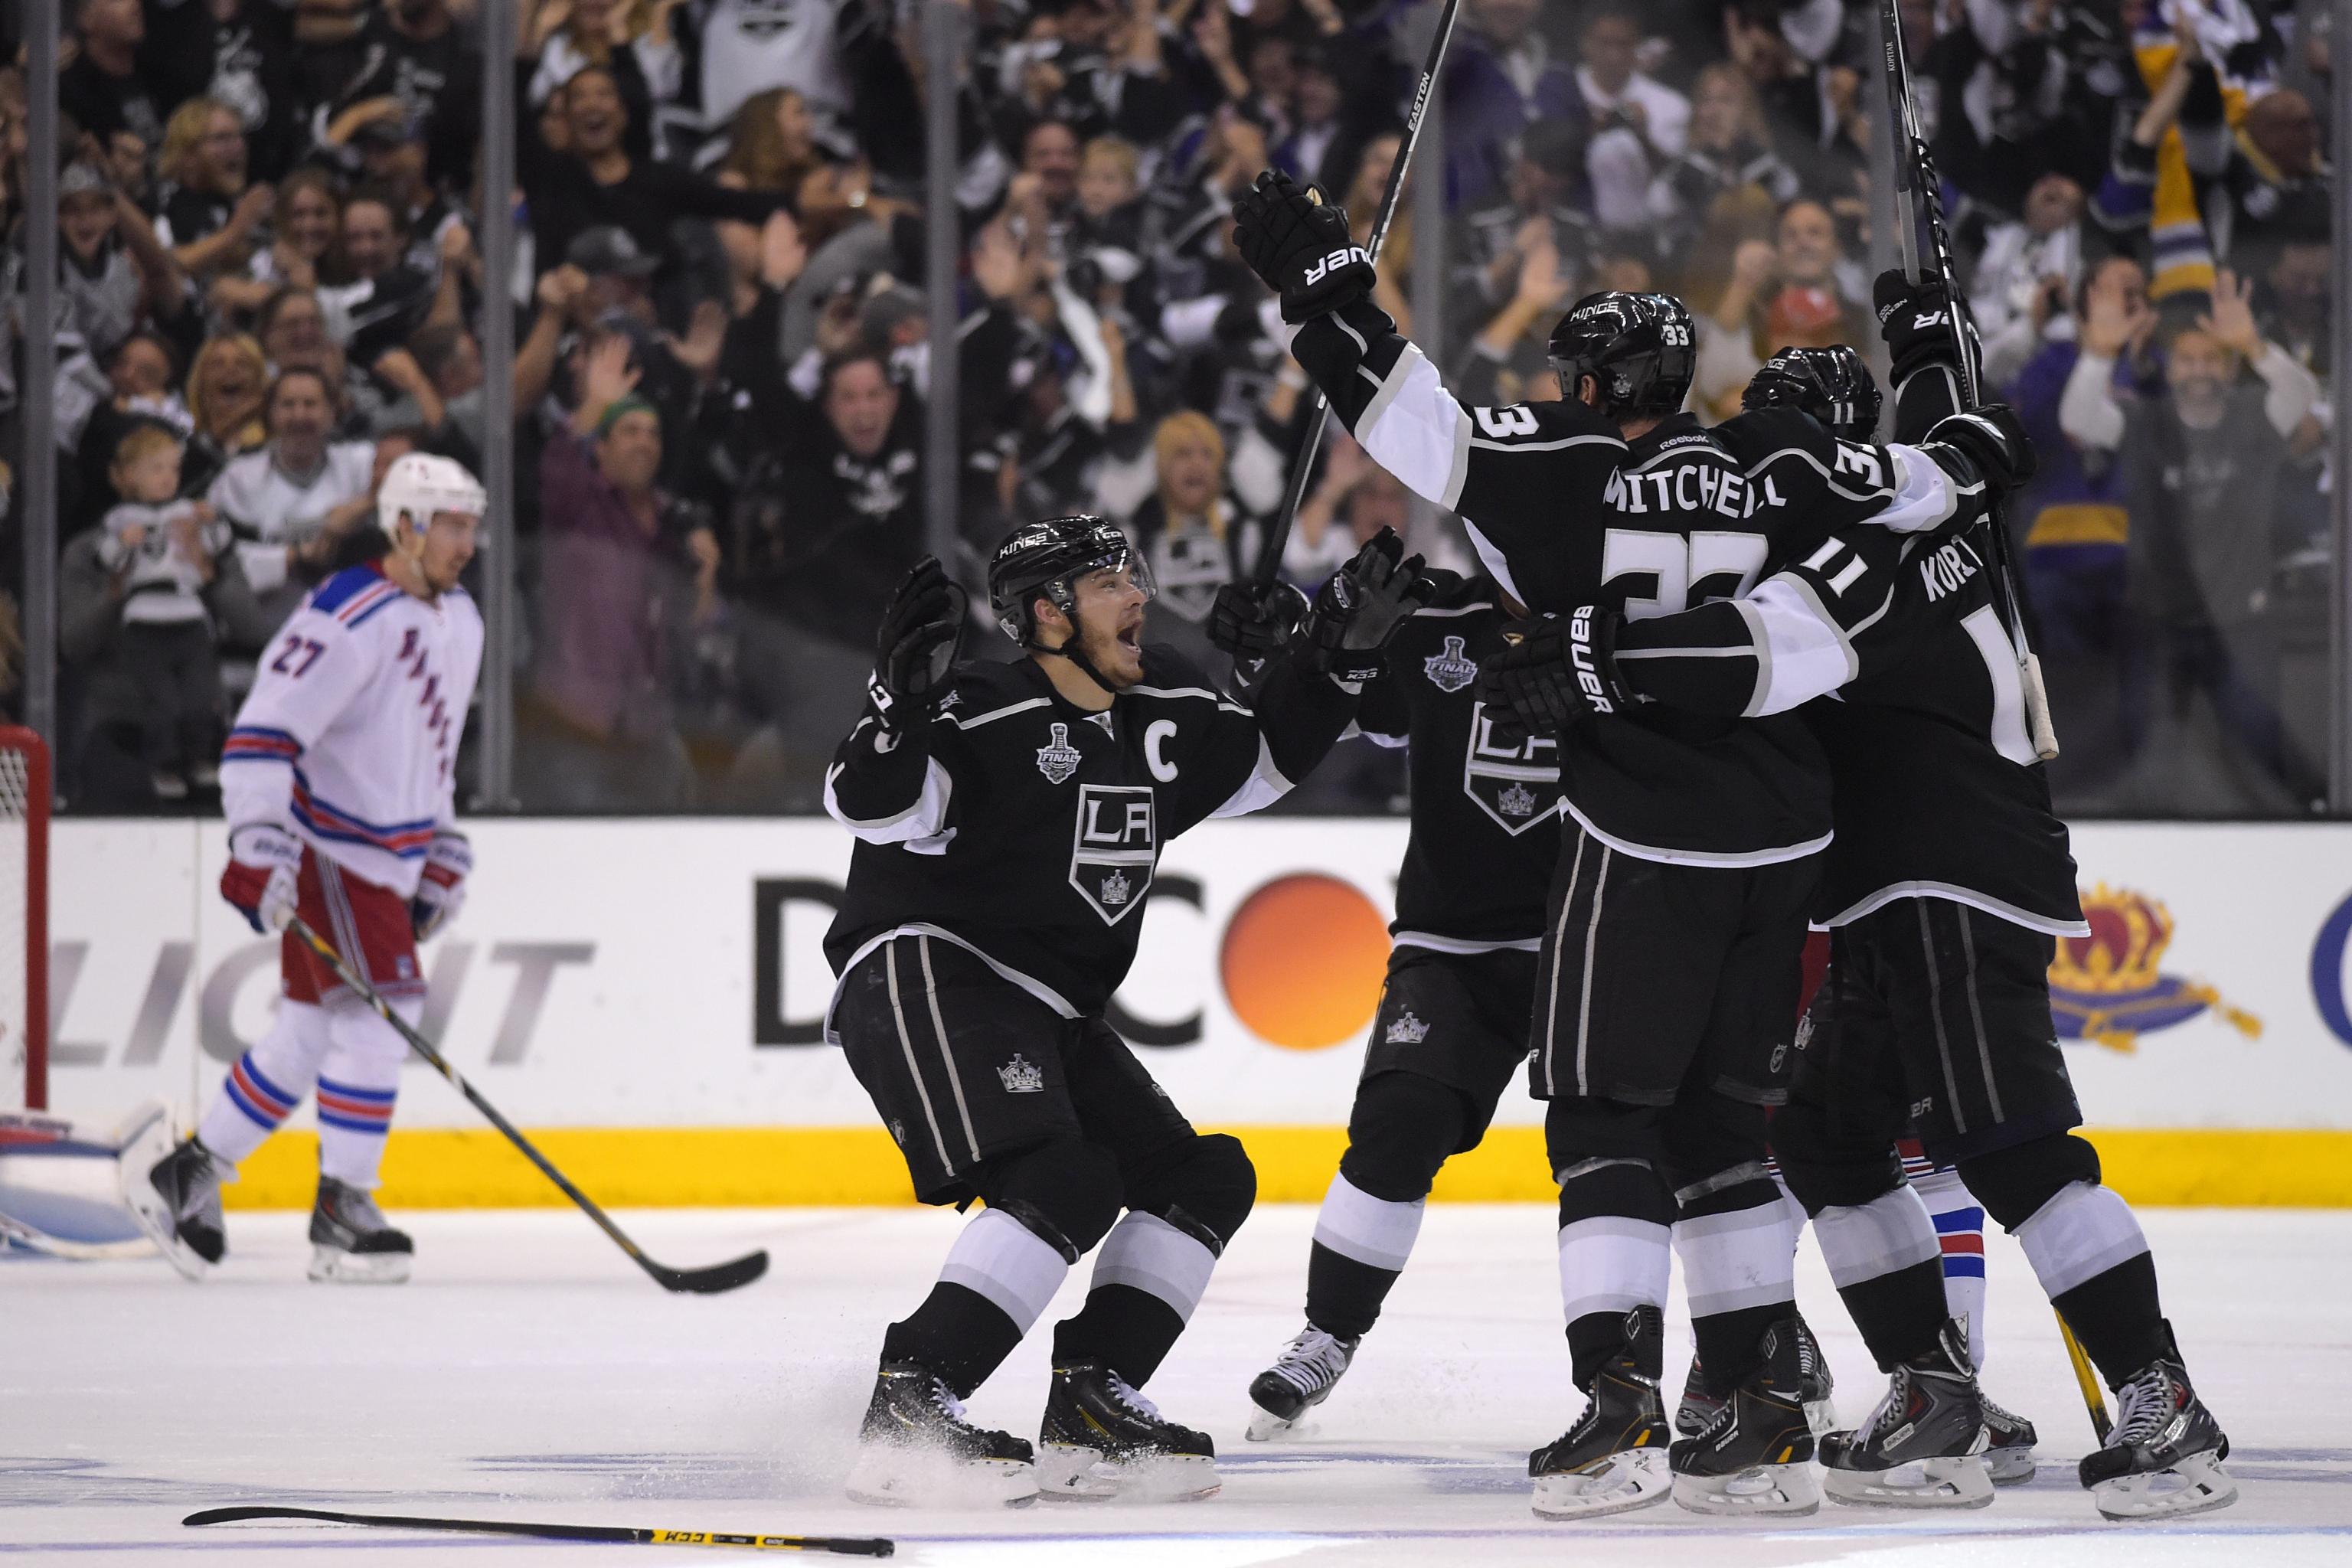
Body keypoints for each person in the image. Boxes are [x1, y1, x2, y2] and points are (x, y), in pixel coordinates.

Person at [1230, 166, 2025, 1520]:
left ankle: (1620, 1405)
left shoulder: (1561, 468)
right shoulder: (1781, 467)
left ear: (1593, 384)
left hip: (1643, 832)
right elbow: (1955, 483)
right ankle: (1764, 1413)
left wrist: (1318, 289)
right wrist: (1940, 355)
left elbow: (1401, 408)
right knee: (1724, 1129)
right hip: (1787, 837)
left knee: (1603, 1119)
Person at [1496, 289, 2234, 1521]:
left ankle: (2164, 1402)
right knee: (1830, 1136)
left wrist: (1589, 656)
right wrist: (1934, 339)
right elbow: (1947, 435)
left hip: (1946, 871)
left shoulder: (1865, 560)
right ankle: (1935, 1391)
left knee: (2013, 1143)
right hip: (1902, 885)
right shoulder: (1935, 506)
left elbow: (1755, 655)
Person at [825, 517, 1429, 1507]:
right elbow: (874, 805)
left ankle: (1093, 1404)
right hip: (930, 971)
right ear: (1047, 616)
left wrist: (1331, 656)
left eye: (1132, 576)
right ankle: (913, 1400)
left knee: (1203, 1176)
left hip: (1050, 1010)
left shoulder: (1164, 710)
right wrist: (895, 706)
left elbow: (1266, 758)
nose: (1138, 597)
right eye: (1109, 584)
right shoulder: (978, 705)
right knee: (1063, 1178)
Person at [1219, 557, 1565, 1438]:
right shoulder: (1430, 617)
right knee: (1398, 1122)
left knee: (1667, 1148)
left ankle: (1752, 1349)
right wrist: (1283, 651)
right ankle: (1327, 1335)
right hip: (1455, 940)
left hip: (1601, 934)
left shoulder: (1634, 607)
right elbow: (1325, 708)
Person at [122, 454, 487, 1285]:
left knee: (311, 1028)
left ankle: (188, 1174)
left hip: (391, 856)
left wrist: (442, 842)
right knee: (386, 1007)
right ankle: (343, 1208)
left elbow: (429, 748)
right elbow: (262, 735)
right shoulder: (343, 616)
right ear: (404, 526)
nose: (467, 543)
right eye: (451, 525)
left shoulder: (461, 617)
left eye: (473, 525)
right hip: (332, 848)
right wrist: (259, 843)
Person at [97, 425, 233, 800]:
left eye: (173, 469)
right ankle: (165, 763)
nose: (167, 477)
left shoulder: (186, 511)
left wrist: (210, 522)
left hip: (188, 611)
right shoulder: (121, 518)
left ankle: (201, 756)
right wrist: (123, 544)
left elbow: (219, 546)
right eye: (156, 468)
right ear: (129, 477)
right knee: (162, 701)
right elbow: (106, 559)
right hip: (144, 617)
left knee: (201, 694)